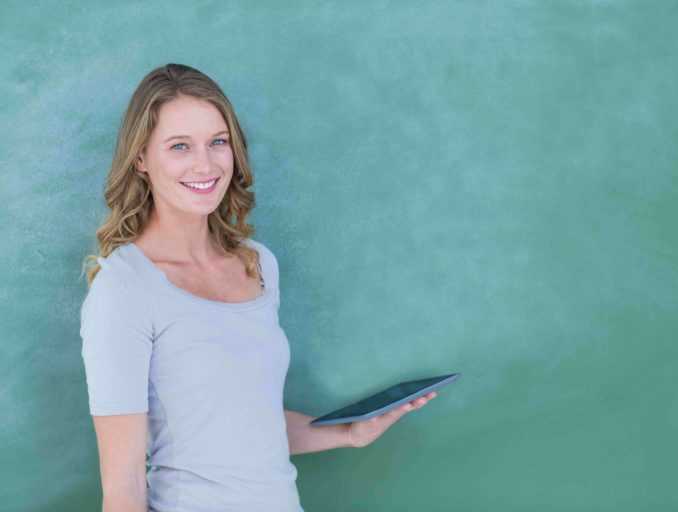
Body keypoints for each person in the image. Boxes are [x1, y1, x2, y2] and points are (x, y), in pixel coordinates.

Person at [79, 63, 437, 512]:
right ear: (141, 158)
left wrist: (349, 433)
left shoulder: (257, 263)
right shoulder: (124, 289)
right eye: (179, 146)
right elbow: (124, 490)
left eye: (218, 142)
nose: (205, 164)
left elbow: (246, 428)